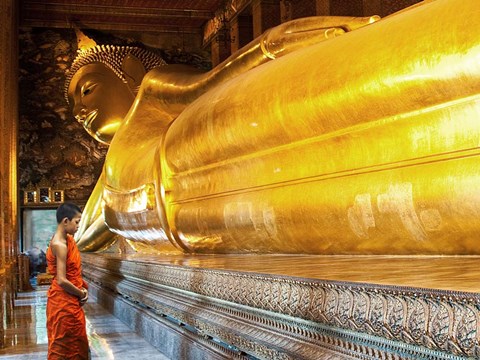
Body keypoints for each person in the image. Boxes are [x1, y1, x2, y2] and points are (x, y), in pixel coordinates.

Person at [69, 0, 480, 256]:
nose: (78, 111)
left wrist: (270, 44)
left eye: (86, 91)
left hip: (196, 138)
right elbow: (90, 234)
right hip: (199, 214)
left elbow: (211, 81)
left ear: (131, 70)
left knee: (354, 90)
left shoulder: (152, 95)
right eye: (71, 105)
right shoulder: (109, 176)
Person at [46, 202, 89, 359]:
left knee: (76, 342)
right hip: (63, 302)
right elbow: (62, 280)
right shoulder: (60, 244)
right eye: (76, 222)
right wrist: (81, 293)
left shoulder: (68, 239)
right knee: (63, 344)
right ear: (66, 221)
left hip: (69, 300)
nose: (78, 226)